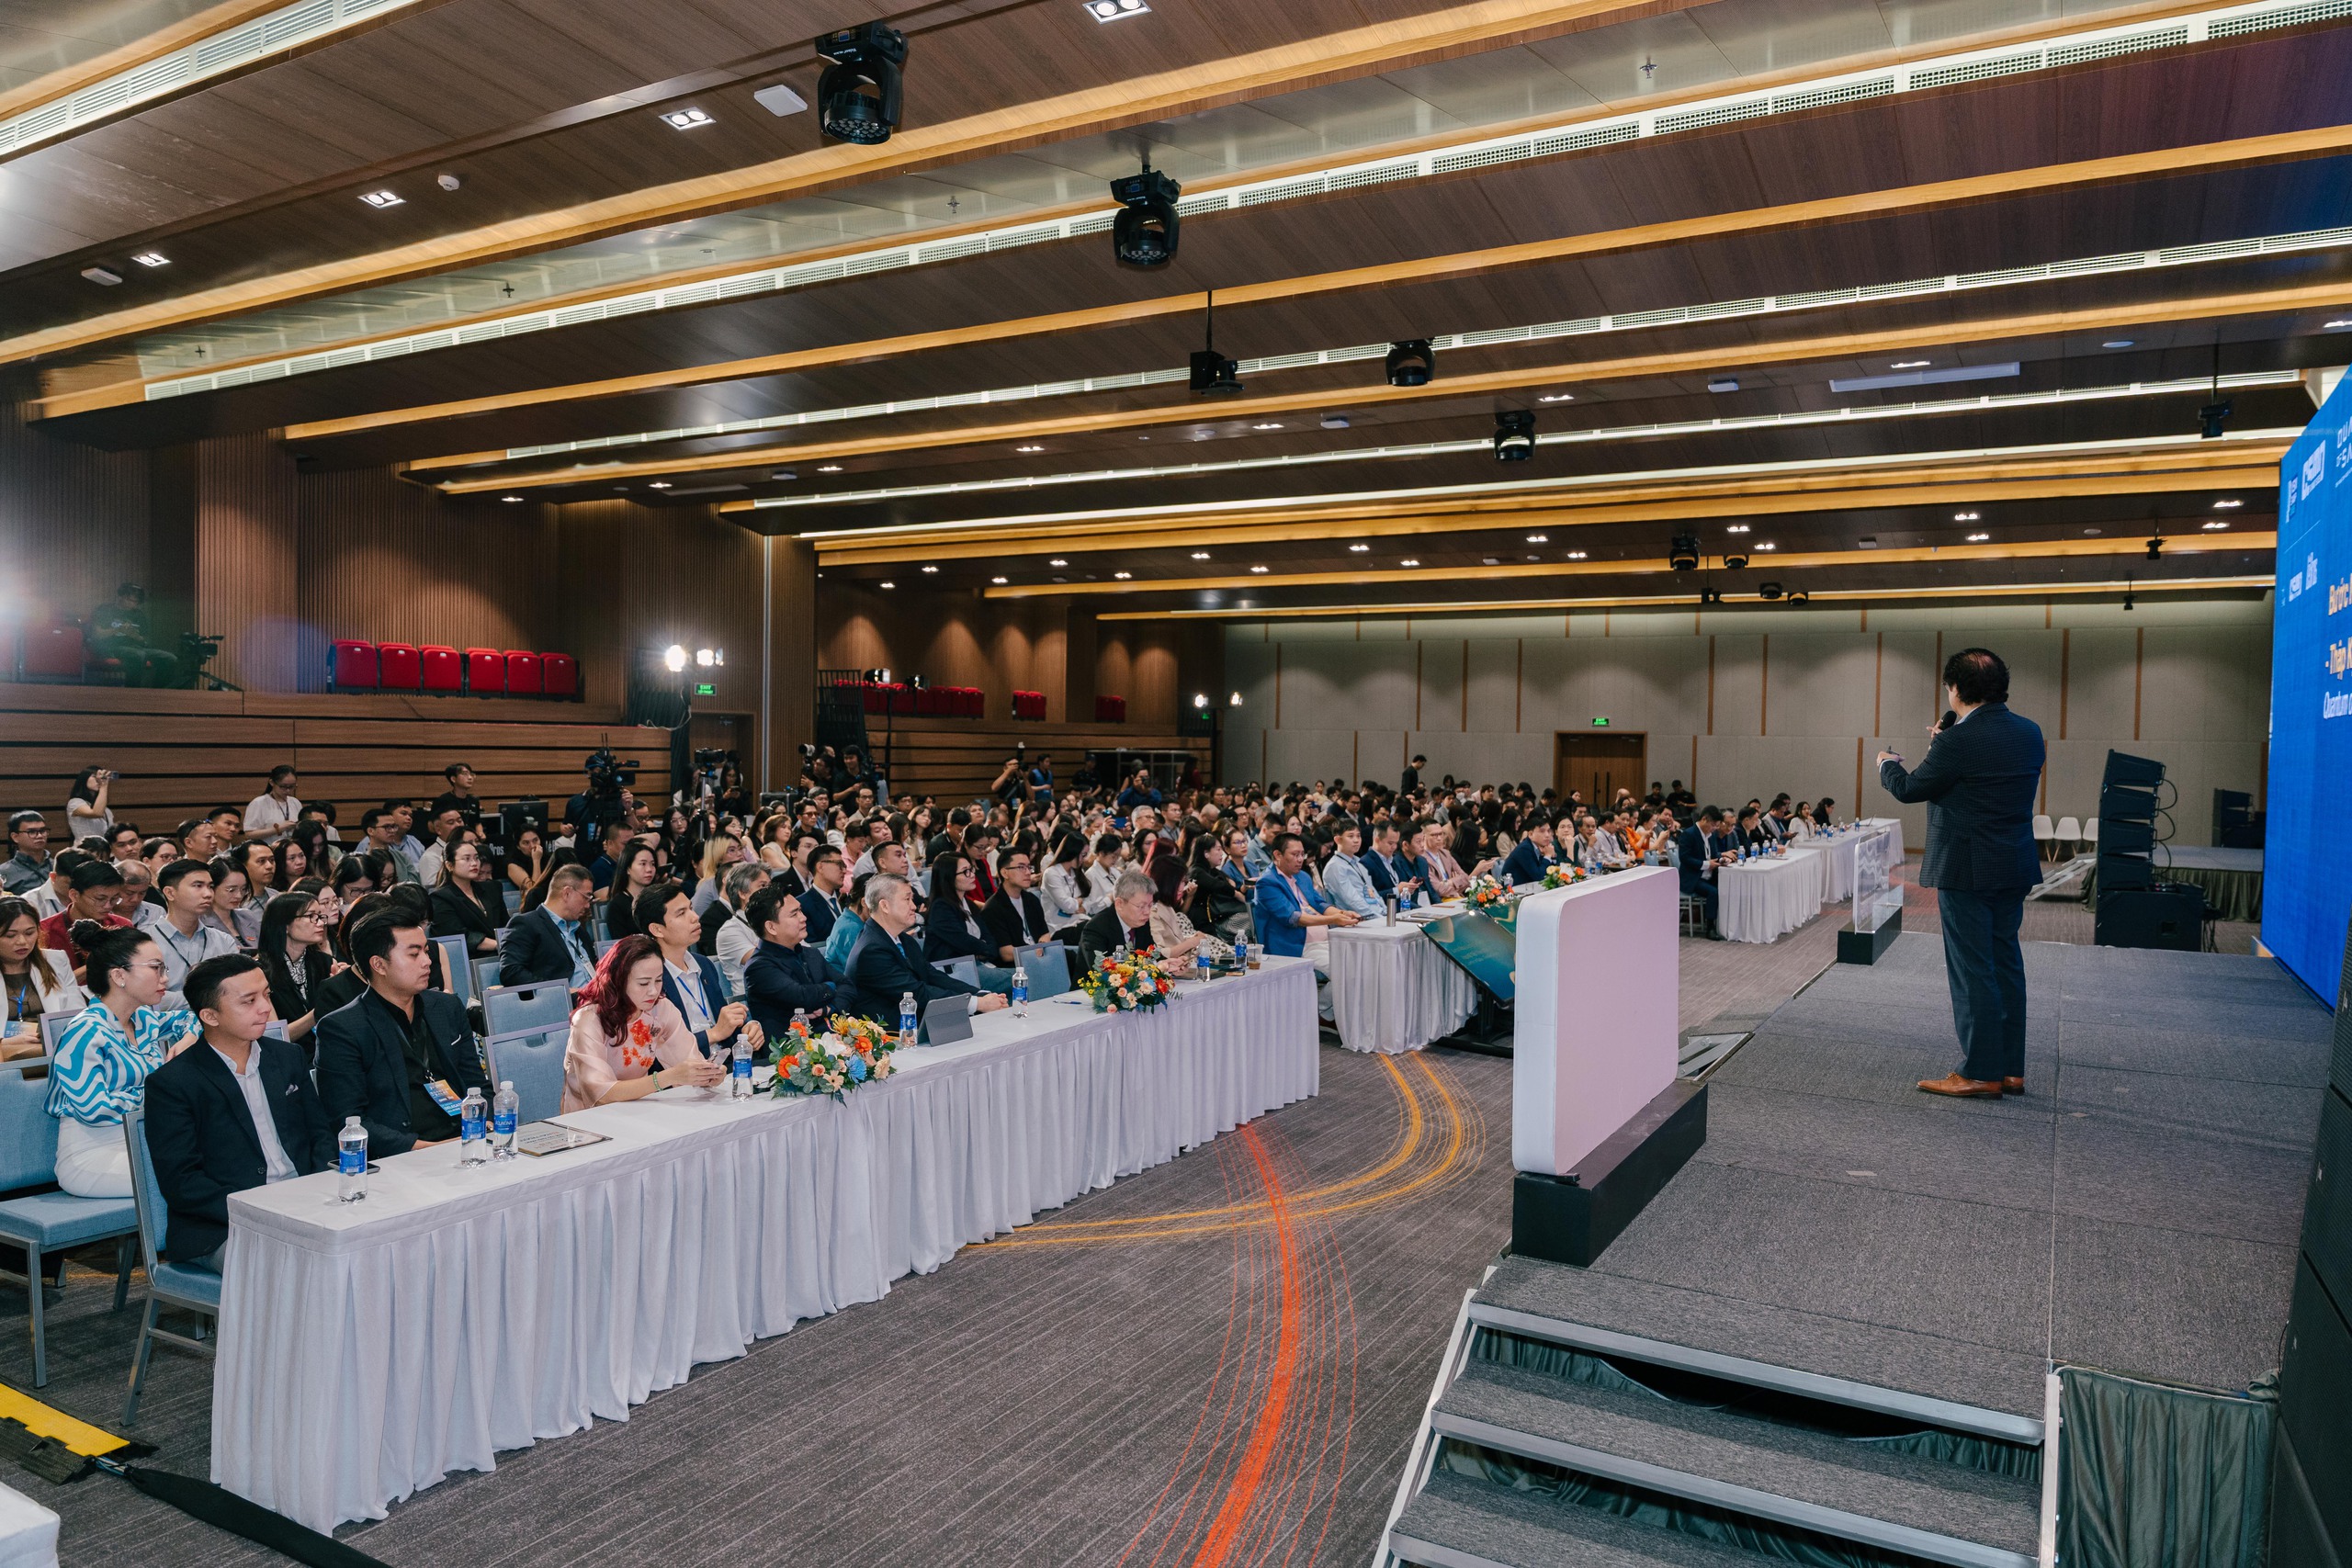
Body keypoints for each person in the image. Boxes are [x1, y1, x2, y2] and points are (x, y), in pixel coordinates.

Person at [1879, 647, 2046, 1099]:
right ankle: (2010, 1069)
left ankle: (1980, 1071)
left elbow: (1911, 788)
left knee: (1973, 970)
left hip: (1966, 869)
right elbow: (1983, 778)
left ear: (1955, 689)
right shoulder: (2030, 732)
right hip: (2012, 864)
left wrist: (1887, 764)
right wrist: (1945, 746)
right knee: (2005, 962)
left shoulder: (1957, 741)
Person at [141, 954, 338, 1270]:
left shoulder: (287, 1057)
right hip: (225, 1223)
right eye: (249, 1001)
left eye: (266, 995)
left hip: (305, 1203)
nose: (265, 1008)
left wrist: (315, 1191)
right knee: (298, 1266)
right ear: (210, 1016)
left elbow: (320, 1135)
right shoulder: (173, 1083)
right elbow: (182, 1183)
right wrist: (262, 1209)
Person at [313, 914, 487, 1155]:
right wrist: (426, 1149)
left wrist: (485, 1123)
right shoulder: (343, 1028)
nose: (427, 961)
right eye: (414, 954)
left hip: (467, 1138)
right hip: (404, 1153)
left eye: (426, 951)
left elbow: (476, 1082)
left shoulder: (447, 1007)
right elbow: (348, 1120)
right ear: (379, 965)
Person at [47, 924, 200, 1195]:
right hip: (93, 1154)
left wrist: (189, 1038)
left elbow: (194, 1019)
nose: (165, 978)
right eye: (156, 968)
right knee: (199, 1170)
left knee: (219, 1158)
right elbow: (95, 1110)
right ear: (119, 975)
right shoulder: (85, 1031)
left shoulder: (143, 1019)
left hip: (145, 1140)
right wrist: (161, 1095)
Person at [560, 935, 728, 1111]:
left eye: (659, 980)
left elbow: (690, 1061)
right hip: (589, 1116)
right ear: (618, 980)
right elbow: (600, 1094)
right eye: (643, 983)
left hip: (638, 1107)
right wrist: (665, 1078)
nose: (653, 991)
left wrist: (707, 1074)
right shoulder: (589, 1019)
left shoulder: (661, 1008)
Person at [838, 873, 1007, 1026]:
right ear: (885, 906)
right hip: (892, 1038)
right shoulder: (871, 950)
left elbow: (933, 976)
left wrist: (980, 994)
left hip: (918, 1025)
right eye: (907, 899)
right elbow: (916, 993)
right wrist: (977, 1003)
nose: (914, 906)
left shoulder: (902, 939)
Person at [636, 883, 757, 1062]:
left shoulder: (704, 964)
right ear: (657, 929)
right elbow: (655, 1047)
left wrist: (748, 1028)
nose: (695, 917)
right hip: (682, 1071)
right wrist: (713, 1034)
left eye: (691, 908)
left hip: (723, 1064)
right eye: (681, 913)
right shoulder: (648, 979)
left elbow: (723, 1022)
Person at [741, 884, 836, 1041]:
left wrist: (828, 1008)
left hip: (825, 1040)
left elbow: (848, 985)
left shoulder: (809, 953)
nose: (803, 917)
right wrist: (831, 986)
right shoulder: (759, 967)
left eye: (800, 910)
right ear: (771, 927)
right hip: (788, 1050)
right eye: (794, 914)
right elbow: (803, 998)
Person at [255, 891, 344, 1049]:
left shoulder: (326, 962)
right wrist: (321, 1009)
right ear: (285, 925)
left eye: (320, 916)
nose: (320, 923)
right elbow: (276, 1038)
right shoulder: (259, 972)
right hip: (288, 1055)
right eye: (311, 916)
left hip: (329, 1049)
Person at [146, 860, 240, 1007]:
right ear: (170, 893)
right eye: (198, 886)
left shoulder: (223, 941)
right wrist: (206, 998)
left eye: (210, 887)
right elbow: (146, 997)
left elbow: (236, 991)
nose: (208, 894)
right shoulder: (145, 942)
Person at [0, 896, 83, 1058]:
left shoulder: (55, 961)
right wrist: (5, 1043)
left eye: (30, 933)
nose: (22, 942)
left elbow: (77, 1017)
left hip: (55, 1049)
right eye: (10, 935)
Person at [1252, 832, 1358, 957]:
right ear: (1278, 855)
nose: (1300, 859)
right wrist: (1333, 919)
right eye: (1295, 855)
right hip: (1295, 947)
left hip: (1324, 941)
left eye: (1302, 854)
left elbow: (1320, 904)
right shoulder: (1267, 883)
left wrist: (1343, 914)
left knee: (1356, 956)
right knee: (1340, 964)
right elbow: (1293, 918)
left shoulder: (1302, 876)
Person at [498, 863, 597, 988]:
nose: (588, 905)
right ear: (567, 893)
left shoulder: (578, 929)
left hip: (595, 995)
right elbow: (511, 972)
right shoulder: (526, 924)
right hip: (564, 998)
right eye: (586, 897)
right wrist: (560, 990)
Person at [86, 582, 175, 687]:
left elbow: (144, 639)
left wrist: (136, 637)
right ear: (121, 596)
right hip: (111, 647)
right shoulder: (104, 610)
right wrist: (118, 629)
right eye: (130, 600)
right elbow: (97, 635)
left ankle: (157, 692)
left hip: (135, 647)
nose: (133, 604)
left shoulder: (138, 614)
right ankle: (133, 691)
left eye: (136, 602)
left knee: (170, 659)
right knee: (138, 655)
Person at [429, 838, 504, 957]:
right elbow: (458, 936)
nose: (474, 863)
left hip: (505, 952)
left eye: (476, 858)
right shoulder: (440, 897)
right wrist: (498, 944)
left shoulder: (492, 888)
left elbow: (506, 924)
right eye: (467, 859)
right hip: (470, 957)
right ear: (449, 865)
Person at [1147, 856, 1228, 967]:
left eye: (1184, 881)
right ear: (1167, 882)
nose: (1183, 887)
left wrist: (1194, 940)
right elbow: (1158, 953)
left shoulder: (1167, 906)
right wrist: (1193, 942)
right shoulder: (1153, 911)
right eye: (1180, 882)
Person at [979, 844, 1054, 964]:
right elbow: (1006, 953)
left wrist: (1041, 948)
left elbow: (1044, 933)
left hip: (1039, 956)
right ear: (1004, 873)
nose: (1028, 872)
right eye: (1021, 867)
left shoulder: (1031, 899)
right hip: (1016, 965)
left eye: (1029, 867)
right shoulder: (993, 908)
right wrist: (1035, 952)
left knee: (1070, 957)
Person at [707, 862, 769, 995]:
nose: (771, 892)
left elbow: (808, 954)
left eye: (770, 886)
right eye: (763, 886)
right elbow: (767, 964)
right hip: (753, 1002)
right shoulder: (729, 931)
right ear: (743, 893)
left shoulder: (778, 921)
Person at [1676, 807, 1736, 941]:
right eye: (1713, 825)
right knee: (1713, 892)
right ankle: (1710, 927)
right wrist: (1707, 864)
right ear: (1704, 819)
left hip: (1708, 875)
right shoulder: (1689, 834)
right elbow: (1685, 858)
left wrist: (1721, 860)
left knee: (1727, 886)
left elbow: (1713, 855)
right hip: (1692, 877)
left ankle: (1726, 924)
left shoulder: (1711, 836)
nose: (1715, 828)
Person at [1320, 820, 1384, 918]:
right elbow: (1352, 901)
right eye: (1351, 836)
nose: (1356, 840)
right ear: (1338, 840)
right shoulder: (1334, 867)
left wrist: (1385, 912)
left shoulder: (1359, 863)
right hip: (1355, 919)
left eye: (1358, 836)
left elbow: (1374, 893)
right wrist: (1377, 917)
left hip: (1375, 915)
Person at [602, 842, 662, 939]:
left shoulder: (658, 899)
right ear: (628, 868)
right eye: (643, 864)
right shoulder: (617, 904)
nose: (649, 869)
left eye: (653, 864)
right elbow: (620, 942)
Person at [797, 845, 848, 945]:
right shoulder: (802, 905)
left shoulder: (847, 899)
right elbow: (813, 946)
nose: (844, 871)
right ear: (820, 867)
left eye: (844, 866)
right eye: (839, 864)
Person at [242, 765, 303, 845]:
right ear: (272, 782)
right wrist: (278, 829)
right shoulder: (259, 803)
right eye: (283, 786)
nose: (288, 790)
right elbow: (249, 834)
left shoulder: (295, 802)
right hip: (268, 849)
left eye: (292, 787)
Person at [1500, 816, 1560, 886]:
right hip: (1514, 889)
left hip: (1530, 887)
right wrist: (1547, 856)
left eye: (1548, 831)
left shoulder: (1541, 847)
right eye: (1542, 831)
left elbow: (1553, 874)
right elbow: (1539, 877)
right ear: (1531, 834)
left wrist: (1552, 856)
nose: (1547, 835)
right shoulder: (1524, 849)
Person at [1, 811, 51, 895]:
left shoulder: (60, 866)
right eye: (32, 832)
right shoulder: (3, 872)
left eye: (42, 831)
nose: (39, 836)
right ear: (15, 837)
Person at [65, 768, 117, 843]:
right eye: (95, 776)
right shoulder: (74, 803)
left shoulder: (106, 810)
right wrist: (103, 786)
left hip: (104, 849)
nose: (99, 780)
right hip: (84, 849)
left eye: (102, 777)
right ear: (84, 779)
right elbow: (96, 813)